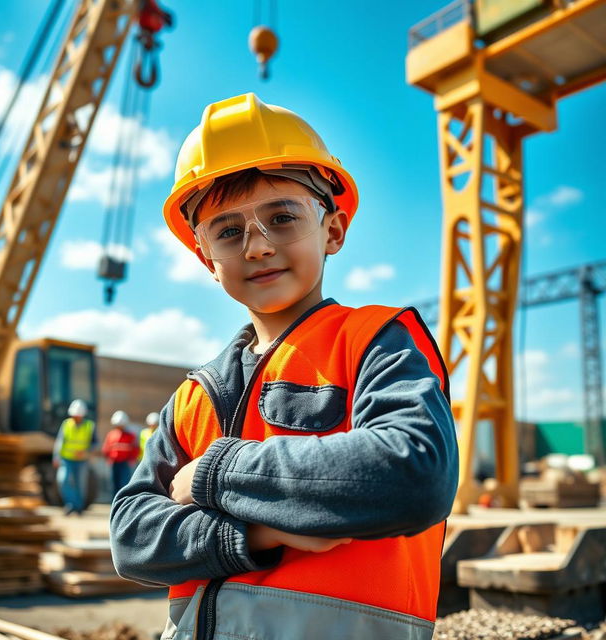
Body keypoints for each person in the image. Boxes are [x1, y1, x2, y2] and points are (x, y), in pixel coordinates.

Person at [110, 93, 458, 640]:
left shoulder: (374, 341)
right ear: (206, 259)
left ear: (333, 230)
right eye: (228, 231)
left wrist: (214, 473)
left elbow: (413, 473)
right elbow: (130, 537)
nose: (257, 246)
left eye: (282, 218)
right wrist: (257, 531)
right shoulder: (194, 396)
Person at [53, 399, 96, 515]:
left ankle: (78, 508)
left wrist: (86, 452)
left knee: (80, 484)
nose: (75, 418)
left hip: (82, 461)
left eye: (78, 416)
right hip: (66, 459)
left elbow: (95, 443)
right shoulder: (66, 424)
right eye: (74, 415)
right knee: (63, 480)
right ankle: (71, 504)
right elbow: (60, 442)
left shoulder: (89, 426)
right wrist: (56, 456)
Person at [102, 410, 139, 499]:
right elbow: (106, 449)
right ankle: (114, 502)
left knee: (124, 483)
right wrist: (108, 459)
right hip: (114, 463)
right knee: (114, 483)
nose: (120, 427)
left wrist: (132, 459)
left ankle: (123, 501)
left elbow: (135, 449)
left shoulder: (131, 436)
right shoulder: (111, 435)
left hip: (125, 463)